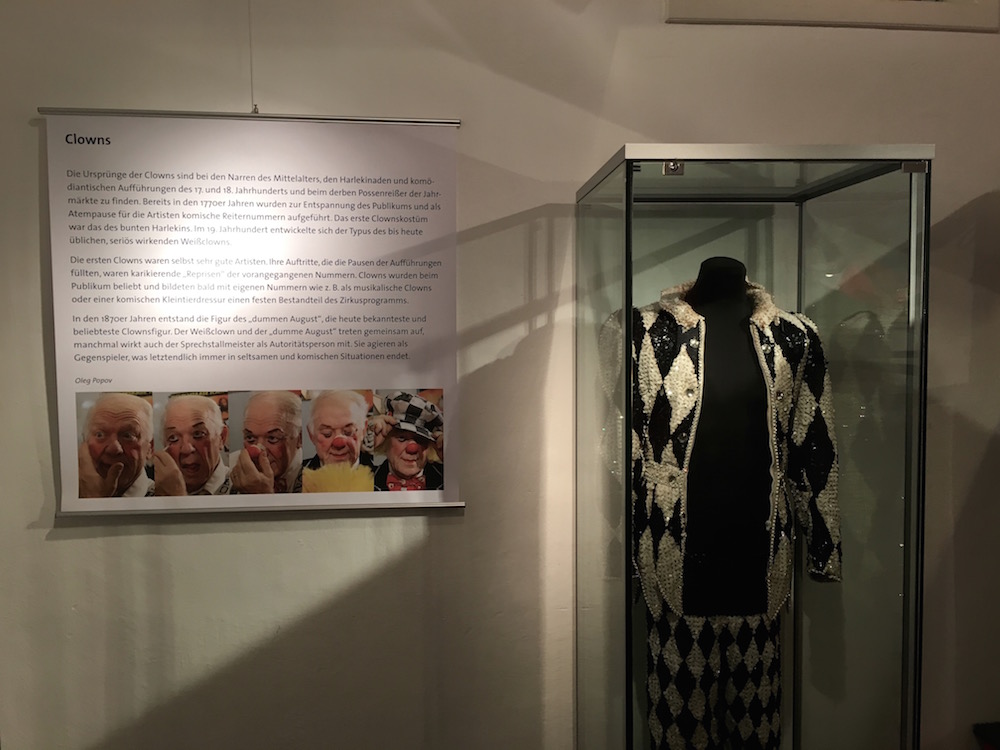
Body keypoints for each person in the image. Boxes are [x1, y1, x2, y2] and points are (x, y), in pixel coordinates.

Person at [78, 392, 159, 498]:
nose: (113, 449)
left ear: (150, 448)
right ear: (84, 442)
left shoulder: (162, 498)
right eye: (100, 434)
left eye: (128, 436)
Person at [301, 390, 375, 492]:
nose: (339, 444)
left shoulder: (379, 475)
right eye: (327, 433)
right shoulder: (299, 479)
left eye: (348, 432)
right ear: (311, 435)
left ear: (364, 430)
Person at [229, 391, 303, 494]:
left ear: (299, 439)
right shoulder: (231, 465)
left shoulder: (313, 476)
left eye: (272, 438)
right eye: (250, 438)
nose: (258, 450)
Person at [158, 393, 231, 495]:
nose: (186, 449)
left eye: (198, 434)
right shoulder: (156, 490)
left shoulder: (242, 488)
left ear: (221, 437)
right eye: (173, 438)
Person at [372, 391, 444, 491]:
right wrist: (366, 442)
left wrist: (452, 462)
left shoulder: (447, 479)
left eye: (420, 439)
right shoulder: (366, 478)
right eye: (402, 438)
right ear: (386, 441)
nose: (412, 449)